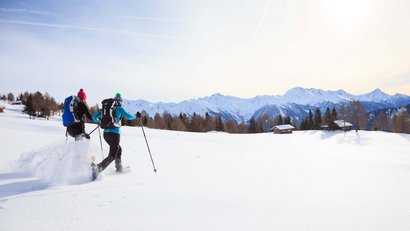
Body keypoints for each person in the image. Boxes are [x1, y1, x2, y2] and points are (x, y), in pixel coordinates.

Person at [92, 93, 141, 174]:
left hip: (106, 135)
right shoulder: (119, 108)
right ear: (120, 101)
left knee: (118, 149)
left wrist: (100, 123)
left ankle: (119, 168)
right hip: (114, 134)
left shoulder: (105, 110)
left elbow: (94, 117)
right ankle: (98, 168)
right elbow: (128, 116)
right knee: (113, 154)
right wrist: (136, 115)